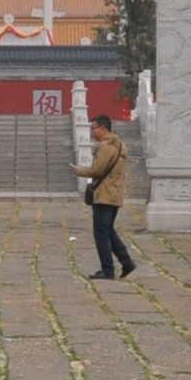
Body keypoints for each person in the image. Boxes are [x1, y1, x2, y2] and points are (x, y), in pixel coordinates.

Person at [75, 111, 136, 280]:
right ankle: (126, 262)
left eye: (94, 128)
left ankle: (108, 270)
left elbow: (97, 170)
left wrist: (77, 171)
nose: (92, 132)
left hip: (104, 195)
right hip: (114, 194)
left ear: (102, 128)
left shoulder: (107, 147)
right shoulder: (119, 145)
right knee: (108, 230)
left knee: (101, 233)